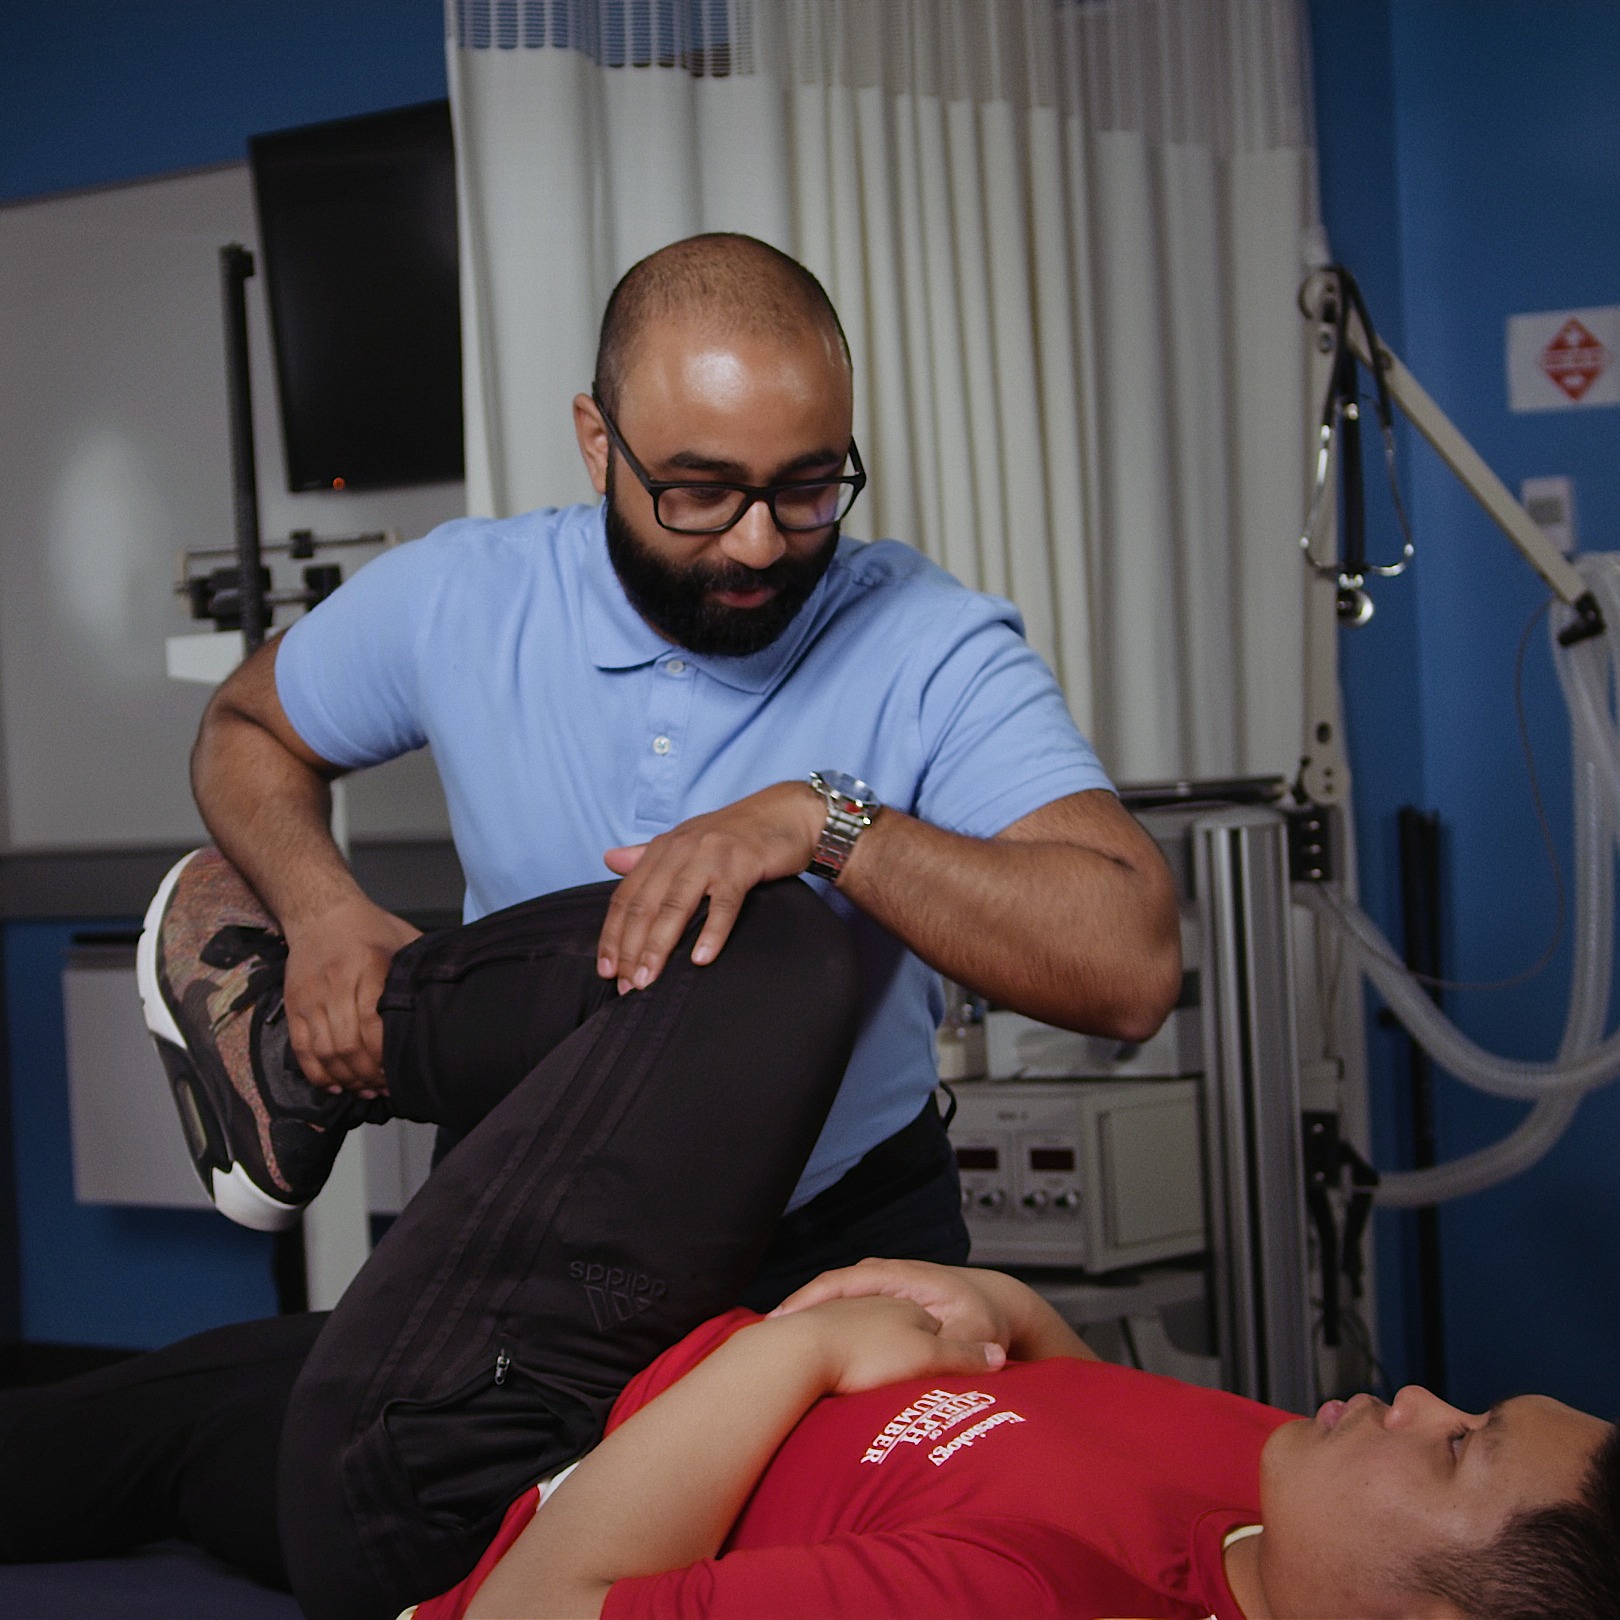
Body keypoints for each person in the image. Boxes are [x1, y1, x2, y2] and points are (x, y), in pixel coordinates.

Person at [13, 868, 1619, 1620]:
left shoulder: (1028, 1610)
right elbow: (1064, 1390)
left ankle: (291, 1063)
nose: (1415, 1396)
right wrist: (988, 1304)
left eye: (1462, 1446)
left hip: (477, 1488)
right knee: (134, 1431)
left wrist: (810, 1347)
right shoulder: (1290, 1493)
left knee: (767, 938)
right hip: (625, 1387)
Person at [178, 230, 1181, 1298]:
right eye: (700, 491)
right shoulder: (462, 596)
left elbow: (1130, 967)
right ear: (599, 443)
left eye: (806, 488)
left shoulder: (929, 640)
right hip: (522, 1213)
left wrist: (824, 822)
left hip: (837, 1233)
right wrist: (320, 905)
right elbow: (244, 729)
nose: (756, 544)